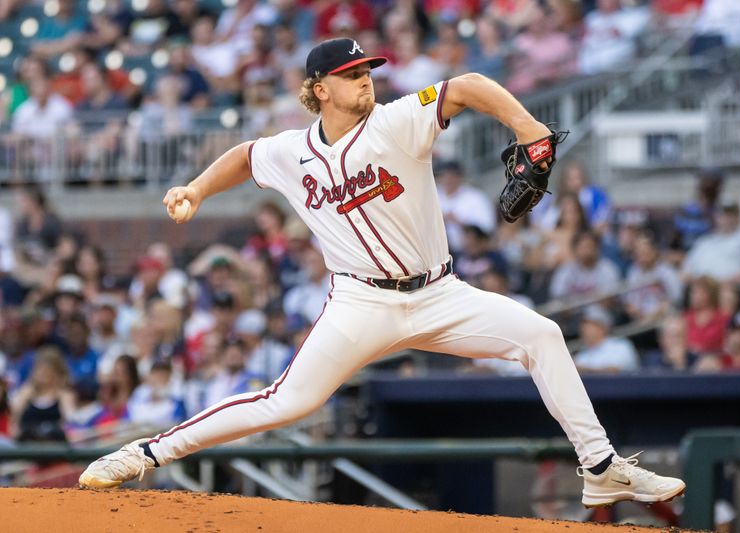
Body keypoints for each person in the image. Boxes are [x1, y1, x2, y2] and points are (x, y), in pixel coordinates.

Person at [80, 37, 684, 507]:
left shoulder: (398, 121)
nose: (364, 77)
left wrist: (528, 130)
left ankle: (602, 471)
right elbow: (244, 156)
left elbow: (467, 85)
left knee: (541, 335)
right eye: (350, 74)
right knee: (285, 402)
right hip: (360, 305)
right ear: (319, 89)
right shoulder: (292, 151)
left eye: (367, 69)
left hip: (440, 293)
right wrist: (195, 188)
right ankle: (145, 453)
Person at [574, 306, 640, 373]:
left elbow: (613, 371)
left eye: (591, 325)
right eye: (584, 325)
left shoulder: (621, 345)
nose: (585, 329)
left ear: (603, 328)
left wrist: (584, 369)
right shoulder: (582, 353)